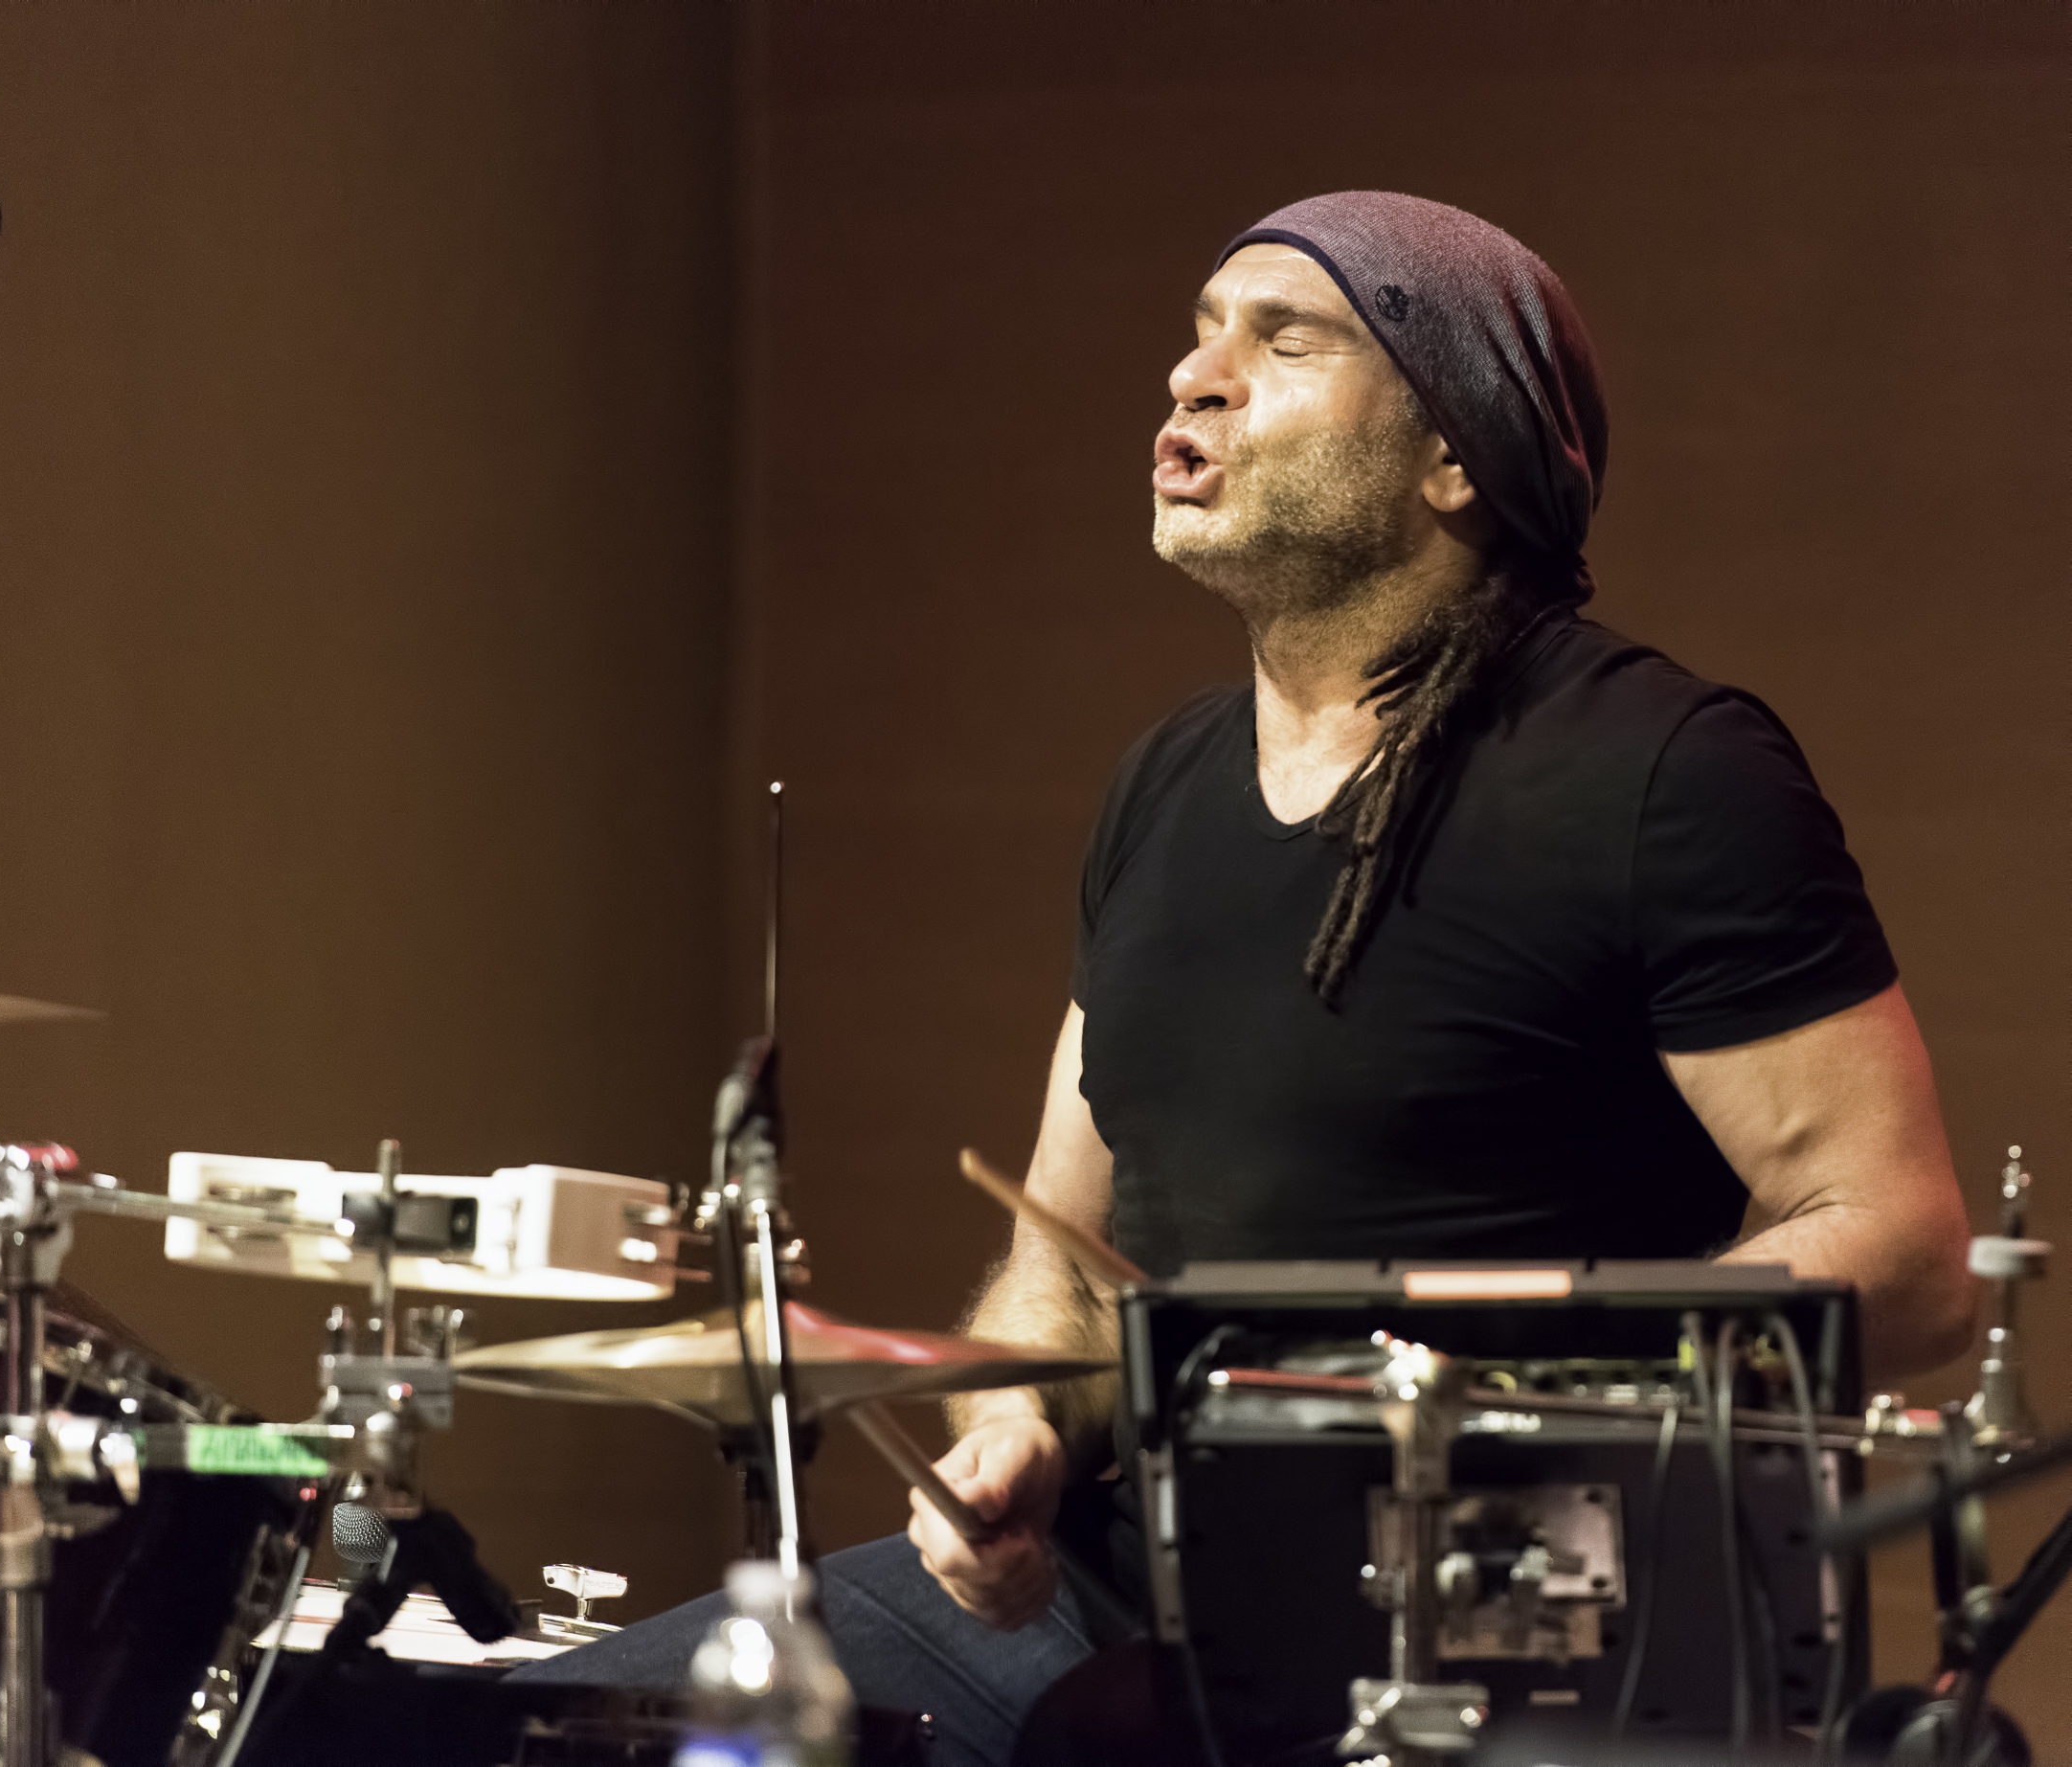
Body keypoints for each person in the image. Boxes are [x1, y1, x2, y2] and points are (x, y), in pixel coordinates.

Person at [515, 192, 1976, 1767]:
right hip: (1115, 1584)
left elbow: (1905, 1255)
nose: (1193, 379)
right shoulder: (1166, 784)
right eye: (1201, 332)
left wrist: (1482, 1343)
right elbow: (1064, 1253)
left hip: (1484, 1610)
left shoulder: (1662, 773)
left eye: (1285, 340)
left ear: (1456, 454)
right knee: (563, 1732)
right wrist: (1012, 1429)